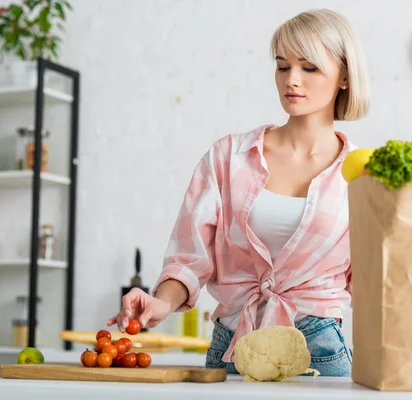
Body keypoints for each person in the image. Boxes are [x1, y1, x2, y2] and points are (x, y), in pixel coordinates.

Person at [107, 8, 370, 377]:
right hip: (232, 343)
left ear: (344, 76)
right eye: (282, 66)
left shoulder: (362, 175)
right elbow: (189, 257)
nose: (291, 80)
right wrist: (161, 303)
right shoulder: (229, 157)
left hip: (319, 348)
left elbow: (370, 283)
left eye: (309, 67)